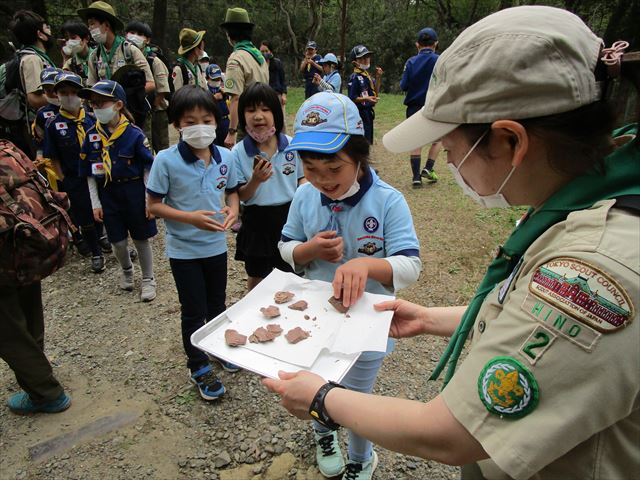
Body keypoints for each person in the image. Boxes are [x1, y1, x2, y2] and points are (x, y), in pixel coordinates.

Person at [264, 6, 640, 480]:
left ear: (508, 142)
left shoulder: (596, 268)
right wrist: (429, 318)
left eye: (450, 144)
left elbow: (450, 433)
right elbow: (525, 312)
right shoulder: (578, 207)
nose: (445, 157)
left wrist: (321, 398)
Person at [277, 91, 421, 480]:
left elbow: (410, 266)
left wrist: (367, 265)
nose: (323, 181)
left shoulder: (388, 202)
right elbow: (286, 245)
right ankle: (324, 434)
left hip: (368, 322)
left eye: (333, 169)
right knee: (316, 385)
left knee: (356, 398)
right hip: (314, 320)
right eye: (311, 168)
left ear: (359, 156)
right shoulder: (305, 196)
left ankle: (361, 455)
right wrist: (306, 250)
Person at [146, 85, 241, 401]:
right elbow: (153, 205)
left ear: (217, 121)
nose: (199, 127)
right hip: (184, 250)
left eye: (206, 119)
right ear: (177, 125)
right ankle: (197, 364)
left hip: (216, 246)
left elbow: (232, 190)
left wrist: (234, 209)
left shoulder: (225, 156)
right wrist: (190, 218)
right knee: (193, 309)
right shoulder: (166, 160)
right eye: (190, 121)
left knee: (217, 304)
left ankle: (216, 348)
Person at [0, 139, 72, 416]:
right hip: (28, 244)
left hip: (8, 252)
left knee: (7, 330)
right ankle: (35, 369)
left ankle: (45, 392)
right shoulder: (7, 146)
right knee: (29, 310)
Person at [79, 80, 157, 302]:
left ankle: (148, 279)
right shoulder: (91, 136)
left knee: (141, 239)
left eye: (101, 102)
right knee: (118, 242)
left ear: (118, 104)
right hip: (108, 192)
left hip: (133, 190)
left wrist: (148, 200)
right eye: (93, 104)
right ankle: (127, 270)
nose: (96, 107)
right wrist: (95, 203)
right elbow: (88, 172)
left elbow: (147, 167)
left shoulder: (133, 134)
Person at [232, 82, 304, 291]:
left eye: (265, 109)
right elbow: (242, 195)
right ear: (242, 115)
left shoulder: (292, 145)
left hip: (289, 218)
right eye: (251, 109)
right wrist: (256, 180)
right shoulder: (238, 152)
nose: (258, 116)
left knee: (291, 274)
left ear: (276, 113)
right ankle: (253, 315)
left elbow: (302, 178)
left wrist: (303, 194)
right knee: (256, 276)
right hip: (256, 221)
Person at [43, 72, 111, 274]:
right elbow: (52, 156)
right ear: (57, 94)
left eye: (74, 92)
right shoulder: (53, 124)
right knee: (83, 216)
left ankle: (106, 239)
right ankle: (95, 251)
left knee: (103, 209)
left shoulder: (92, 119)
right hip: (75, 179)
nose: (69, 97)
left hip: (98, 175)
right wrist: (62, 179)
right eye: (64, 92)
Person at [5, 10, 57, 159]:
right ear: (40, 34)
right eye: (46, 27)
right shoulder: (31, 59)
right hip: (38, 127)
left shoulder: (39, 57)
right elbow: (34, 99)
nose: (49, 30)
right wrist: (64, 100)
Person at [78, 1, 154, 93]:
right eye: (88, 25)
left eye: (92, 24)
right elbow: (91, 86)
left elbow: (150, 84)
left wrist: (127, 95)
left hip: (126, 105)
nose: (89, 28)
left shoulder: (129, 50)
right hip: (105, 106)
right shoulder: (94, 56)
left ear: (106, 25)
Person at [220, 7, 269, 148]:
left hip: (246, 122)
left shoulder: (236, 58)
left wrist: (232, 131)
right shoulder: (259, 57)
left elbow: (235, 98)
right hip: (263, 118)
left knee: (245, 164)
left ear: (230, 34)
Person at [400, 27, 442, 186]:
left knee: (416, 141)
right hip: (433, 106)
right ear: (435, 44)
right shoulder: (440, 60)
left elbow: (404, 86)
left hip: (413, 108)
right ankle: (428, 167)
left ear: (417, 44)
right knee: (438, 139)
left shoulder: (410, 62)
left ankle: (416, 177)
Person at [125, 20, 171, 153]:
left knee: (160, 145)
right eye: (131, 32)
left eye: (140, 34)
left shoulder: (154, 60)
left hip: (156, 110)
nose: (134, 36)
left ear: (147, 39)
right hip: (135, 108)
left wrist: (151, 108)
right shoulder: (126, 57)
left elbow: (162, 89)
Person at [347, 45, 383, 144]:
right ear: (355, 62)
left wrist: (378, 77)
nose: (366, 60)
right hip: (360, 113)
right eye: (362, 58)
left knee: (368, 140)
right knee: (362, 141)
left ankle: (366, 158)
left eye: (367, 57)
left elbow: (375, 93)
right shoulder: (354, 77)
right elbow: (352, 98)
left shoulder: (367, 76)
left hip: (368, 113)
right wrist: (366, 99)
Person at [259, 41, 287, 122]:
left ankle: (281, 134)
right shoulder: (258, 64)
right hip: (263, 96)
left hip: (277, 95)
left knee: (280, 120)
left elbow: (283, 80)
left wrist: (284, 94)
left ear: (270, 51)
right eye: (262, 51)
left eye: (266, 51)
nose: (264, 53)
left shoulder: (277, 63)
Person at [205, 64, 230, 147]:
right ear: (207, 78)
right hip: (212, 123)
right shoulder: (204, 91)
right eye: (214, 79)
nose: (217, 81)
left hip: (225, 122)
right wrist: (213, 98)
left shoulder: (224, 90)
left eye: (218, 79)